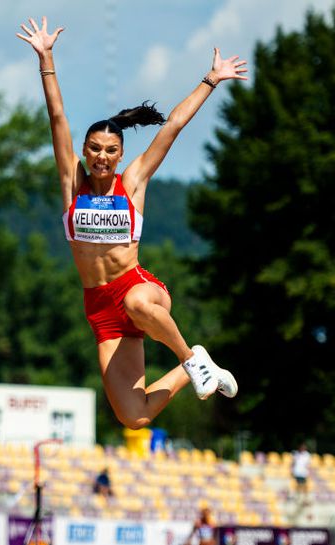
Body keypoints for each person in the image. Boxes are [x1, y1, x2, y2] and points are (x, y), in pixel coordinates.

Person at [17, 17, 247, 428]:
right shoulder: (72, 184)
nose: (102, 156)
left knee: (136, 302)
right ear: (85, 152)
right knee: (134, 417)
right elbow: (56, 118)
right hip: (100, 310)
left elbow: (172, 127)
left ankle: (190, 361)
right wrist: (46, 59)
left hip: (140, 290)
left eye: (110, 149)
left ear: (120, 155)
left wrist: (211, 80)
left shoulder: (134, 182)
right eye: (94, 148)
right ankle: (195, 363)